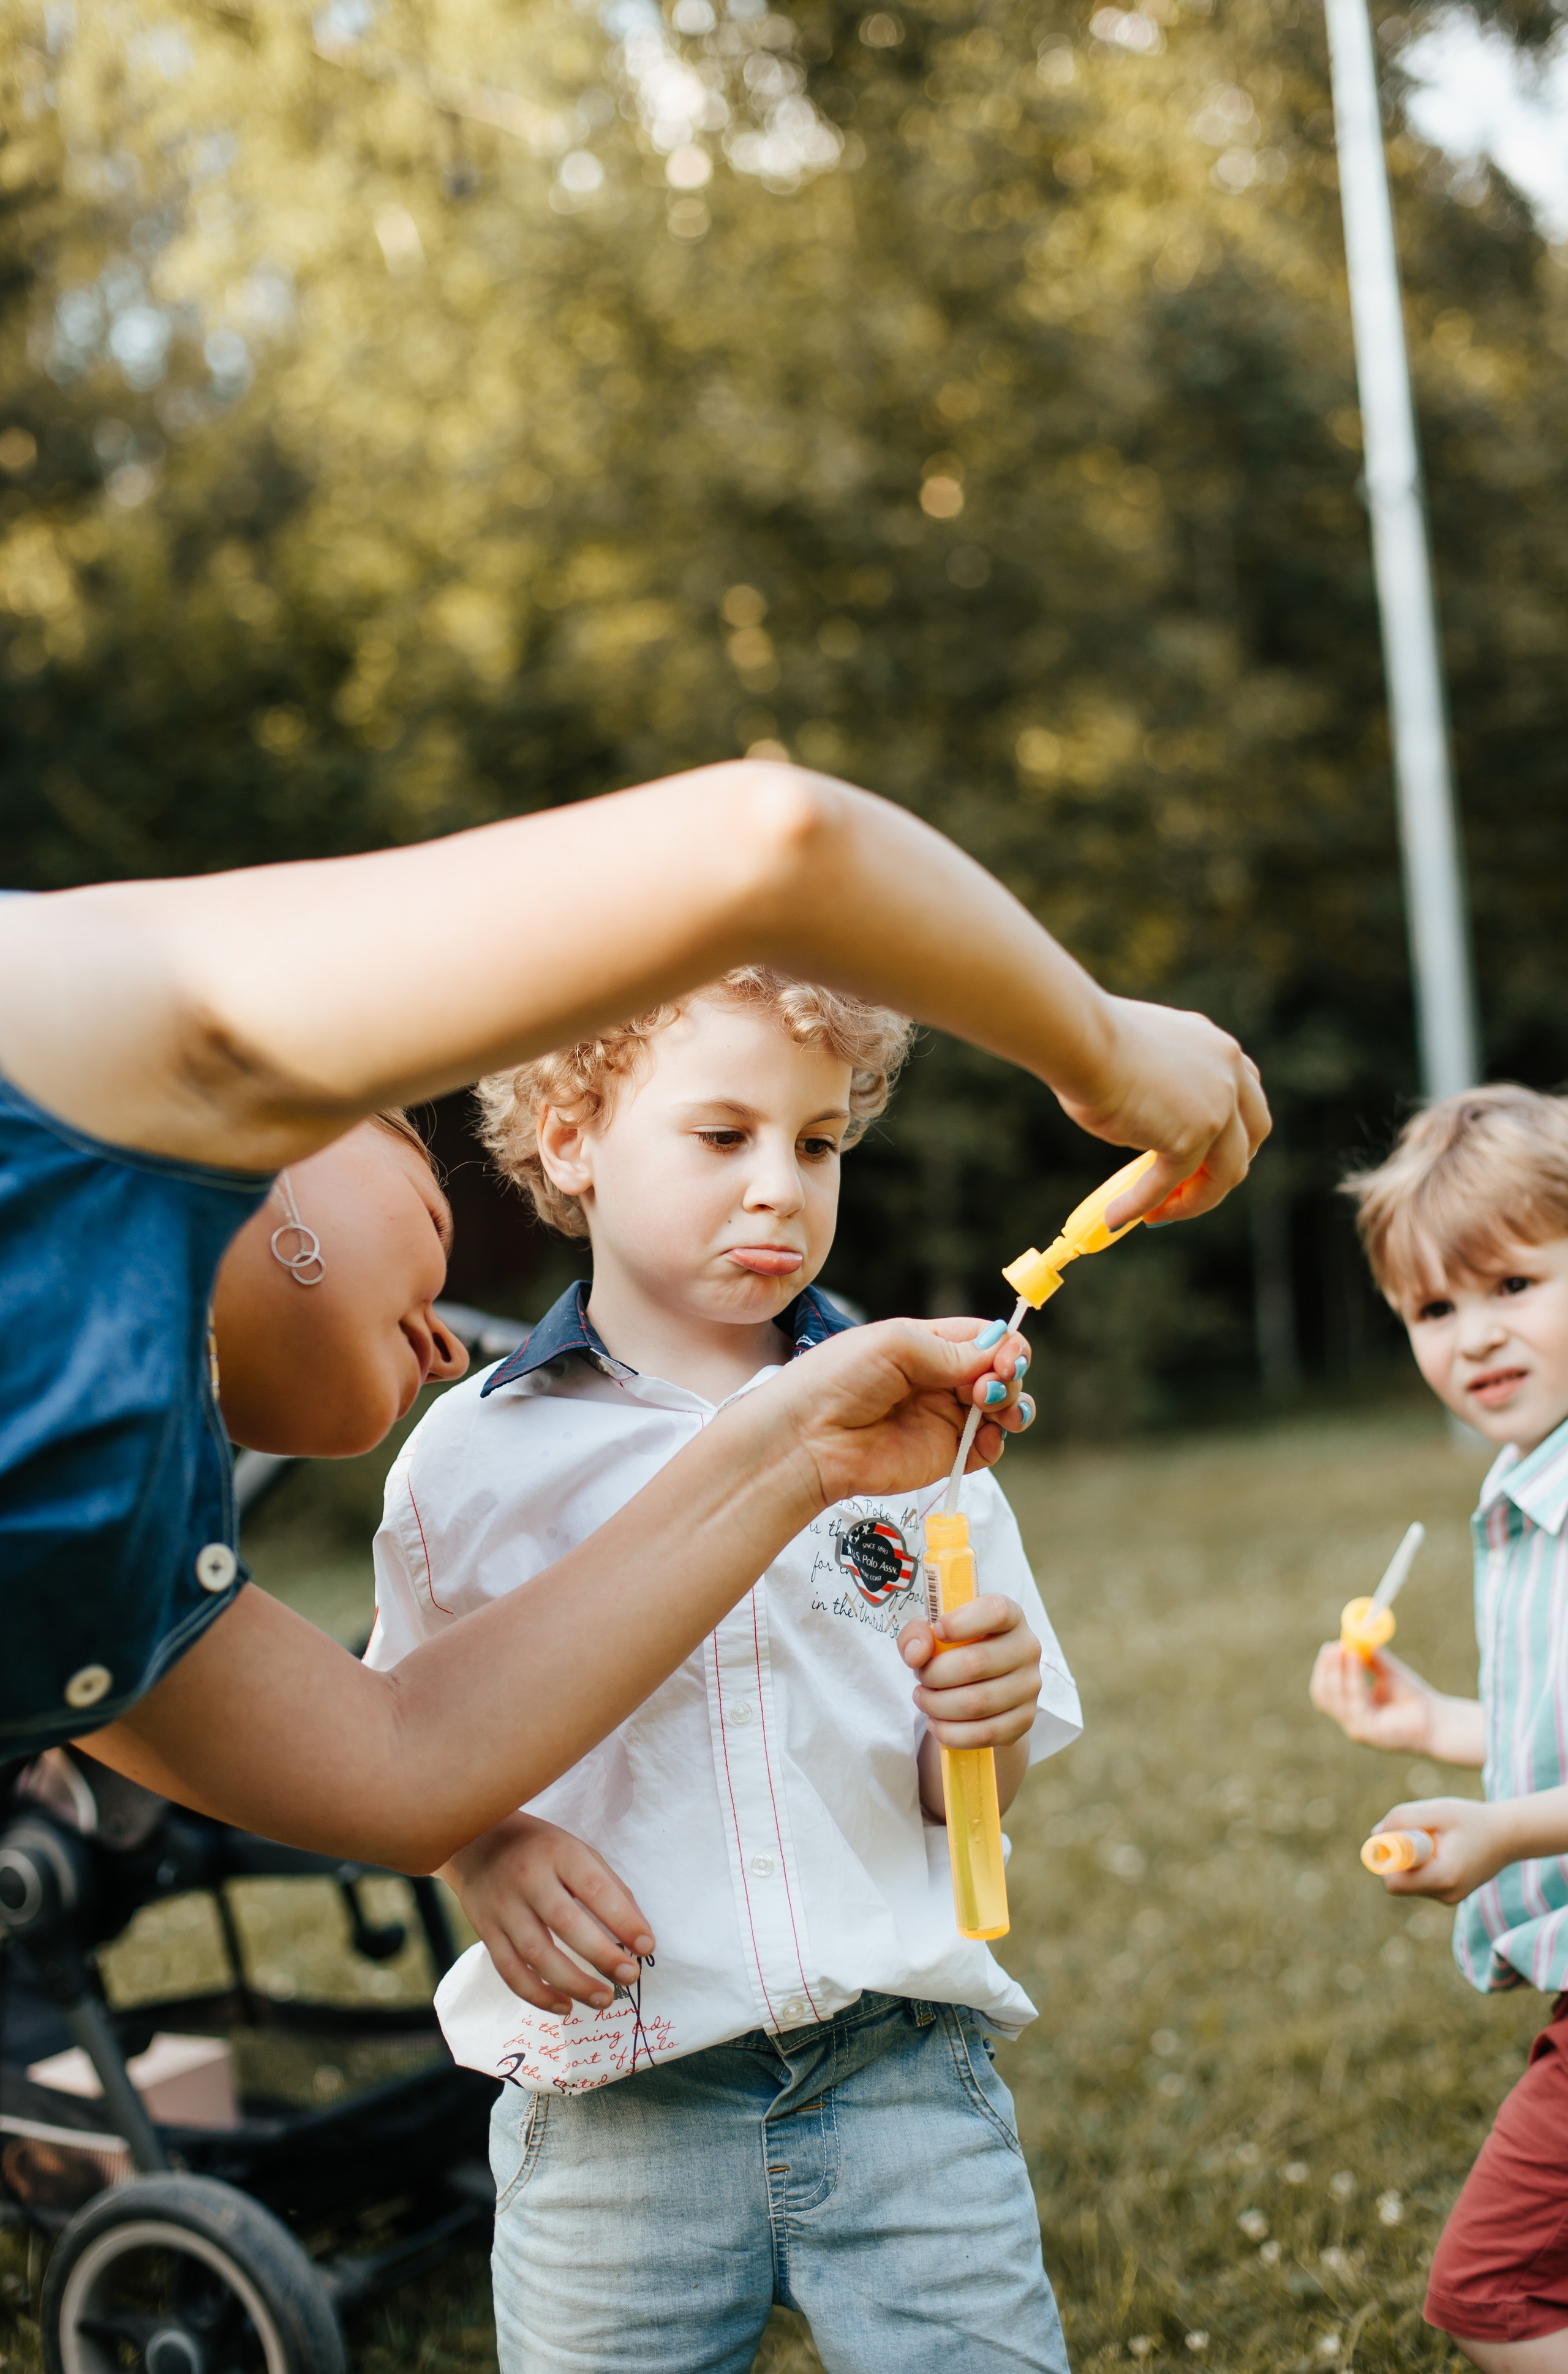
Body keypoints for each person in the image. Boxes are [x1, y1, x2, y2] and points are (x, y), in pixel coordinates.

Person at [0, 759, 1268, 1866]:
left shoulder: (113, 1574)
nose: (446, 1337)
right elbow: (775, 846)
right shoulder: (78, 1029)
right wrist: (1104, 1051)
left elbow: (401, 1770)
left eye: (818, 1144)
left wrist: (795, 1449)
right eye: (433, 1221)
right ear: (309, 1136)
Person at [368, 969, 1084, 2373]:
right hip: (613, 2107)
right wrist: (487, 1849)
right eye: (722, 1136)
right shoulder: (471, 1463)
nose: (779, 1188)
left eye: (815, 1143)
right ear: (571, 1137)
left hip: (899, 2082)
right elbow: (393, 1743)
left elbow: (968, 1799)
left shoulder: (916, 1427)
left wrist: (983, 1726)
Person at [1311, 1084, 1568, 2374]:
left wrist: (1504, 1833)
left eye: (1511, 1284)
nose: (1471, 1338)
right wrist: (1432, 1724)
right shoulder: (1524, 1487)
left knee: (1491, 2291)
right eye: (1431, 1309)